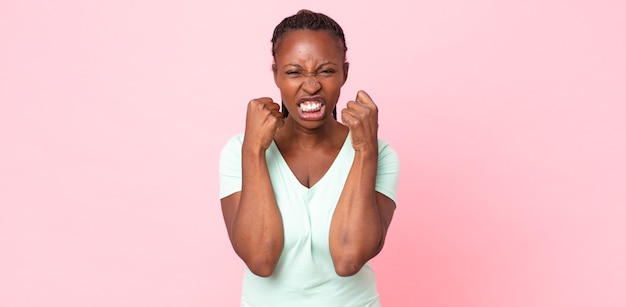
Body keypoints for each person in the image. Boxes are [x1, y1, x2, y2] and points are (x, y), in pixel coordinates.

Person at [219, 9, 400, 306]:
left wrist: (364, 151)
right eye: (294, 72)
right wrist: (254, 151)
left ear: (345, 71)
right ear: (275, 73)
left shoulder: (379, 153)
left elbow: (348, 258)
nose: (312, 85)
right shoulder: (239, 150)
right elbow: (261, 259)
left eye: (326, 71)